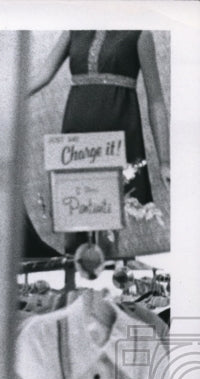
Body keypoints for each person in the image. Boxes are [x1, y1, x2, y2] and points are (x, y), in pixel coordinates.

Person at [26, 30, 170, 253]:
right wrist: (6, 99)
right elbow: (43, 75)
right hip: (76, 140)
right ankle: (74, 285)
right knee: (73, 216)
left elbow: (157, 101)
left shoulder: (140, 32)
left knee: (109, 224)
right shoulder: (74, 30)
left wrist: (165, 161)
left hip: (117, 138)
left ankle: (107, 283)